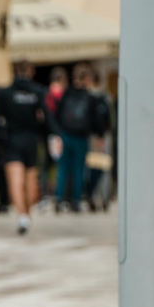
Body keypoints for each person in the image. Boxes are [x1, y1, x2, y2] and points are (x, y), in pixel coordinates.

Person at [0, 60, 51, 235]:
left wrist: (0, 139)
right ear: (31, 71)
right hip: (31, 140)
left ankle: (22, 216)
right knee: (31, 181)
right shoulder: (37, 91)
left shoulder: (5, 93)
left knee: (15, 181)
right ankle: (27, 215)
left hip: (12, 139)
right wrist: (50, 135)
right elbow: (46, 117)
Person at [54, 63, 98, 213]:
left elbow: (58, 113)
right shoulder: (89, 96)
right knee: (79, 170)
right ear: (86, 78)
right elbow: (94, 119)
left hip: (65, 134)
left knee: (63, 168)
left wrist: (58, 132)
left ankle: (59, 199)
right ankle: (76, 201)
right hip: (81, 137)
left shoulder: (67, 93)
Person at [83, 67, 114, 212]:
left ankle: (93, 196)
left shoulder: (88, 97)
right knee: (104, 168)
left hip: (92, 137)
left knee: (92, 167)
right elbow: (111, 120)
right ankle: (105, 198)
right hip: (105, 136)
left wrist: (96, 136)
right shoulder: (106, 97)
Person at [38, 66, 68, 207]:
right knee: (61, 166)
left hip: (46, 134)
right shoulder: (63, 95)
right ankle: (59, 195)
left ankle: (45, 194)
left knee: (45, 166)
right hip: (61, 133)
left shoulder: (45, 94)